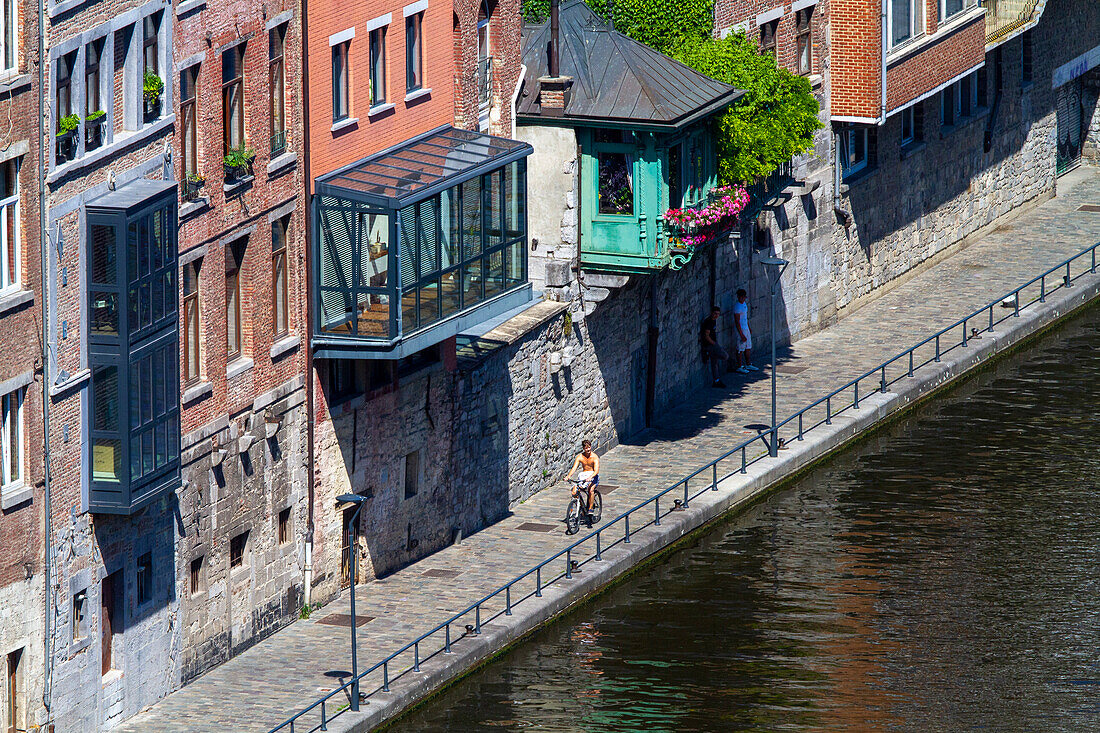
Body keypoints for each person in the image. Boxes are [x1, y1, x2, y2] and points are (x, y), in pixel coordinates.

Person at [564, 439, 600, 519]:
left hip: (593, 475)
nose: (588, 450)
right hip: (584, 476)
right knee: (574, 492)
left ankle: (590, 509)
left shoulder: (594, 457)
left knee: (591, 490)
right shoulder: (580, 457)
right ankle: (580, 506)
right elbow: (574, 468)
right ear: (583, 448)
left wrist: (590, 477)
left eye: (589, 447)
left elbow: (596, 470)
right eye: (586, 448)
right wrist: (568, 476)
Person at [699, 306, 728, 388]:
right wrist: (714, 344)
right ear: (712, 313)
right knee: (725, 356)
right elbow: (706, 335)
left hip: (712, 344)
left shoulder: (713, 321)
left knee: (714, 364)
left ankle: (716, 381)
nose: (716, 315)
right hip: (710, 345)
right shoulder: (708, 322)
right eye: (715, 313)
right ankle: (710, 353)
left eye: (718, 314)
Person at [732, 289, 759, 374]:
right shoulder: (737, 307)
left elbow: (745, 318)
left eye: (744, 297)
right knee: (740, 348)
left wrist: (749, 327)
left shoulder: (744, 304)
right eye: (741, 297)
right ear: (738, 297)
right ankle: (739, 366)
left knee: (748, 347)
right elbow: (737, 321)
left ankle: (748, 364)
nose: (743, 299)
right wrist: (741, 334)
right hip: (741, 329)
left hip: (746, 328)